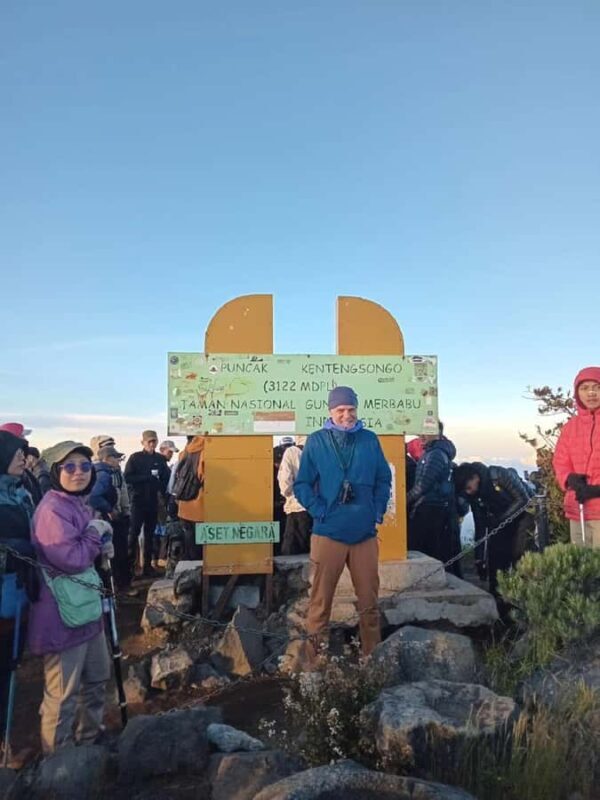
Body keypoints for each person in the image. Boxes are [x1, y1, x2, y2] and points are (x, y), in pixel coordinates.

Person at [27, 441, 113, 754]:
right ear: (55, 471)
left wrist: (99, 539)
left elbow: (85, 552)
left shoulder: (78, 503)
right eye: (70, 467)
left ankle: (88, 743)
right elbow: (73, 558)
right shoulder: (51, 509)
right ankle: (58, 761)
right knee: (62, 693)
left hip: (86, 610)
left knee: (96, 681)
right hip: (61, 617)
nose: (79, 472)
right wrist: (94, 533)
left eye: (86, 466)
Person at [294, 386, 391, 659]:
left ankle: (372, 661)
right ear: (330, 412)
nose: (346, 415)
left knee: (370, 604)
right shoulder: (316, 441)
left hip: (364, 533)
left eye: (350, 409)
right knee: (320, 603)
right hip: (328, 534)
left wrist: (377, 509)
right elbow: (301, 484)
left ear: (356, 410)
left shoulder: (370, 440)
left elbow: (383, 479)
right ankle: (314, 665)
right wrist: (319, 510)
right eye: (340, 410)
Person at [0, 431, 38, 762]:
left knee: (10, 664)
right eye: (16, 453)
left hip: (17, 589)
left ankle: (6, 742)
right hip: (4, 588)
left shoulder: (21, 494)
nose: (22, 458)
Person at [454, 461, 533, 593]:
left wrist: (501, 520)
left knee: (518, 556)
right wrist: (479, 558)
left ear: (475, 477)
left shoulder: (499, 475)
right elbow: (480, 525)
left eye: (469, 487)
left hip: (523, 517)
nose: (469, 492)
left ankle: (521, 594)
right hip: (499, 522)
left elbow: (523, 499)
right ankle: (498, 596)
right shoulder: (475, 496)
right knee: (496, 558)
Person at [553, 367, 600, 548]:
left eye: (596, 387)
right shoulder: (570, 427)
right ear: (577, 393)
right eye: (584, 388)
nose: (590, 393)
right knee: (581, 568)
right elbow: (560, 461)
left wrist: (597, 490)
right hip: (578, 507)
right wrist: (569, 478)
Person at [406, 423, 458, 566]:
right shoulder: (433, 452)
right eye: (420, 432)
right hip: (433, 507)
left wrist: (404, 501)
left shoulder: (435, 454)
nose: (421, 436)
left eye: (426, 432)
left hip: (430, 509)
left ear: (437, 433)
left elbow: (423, 485)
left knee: (425, 549)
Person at [124, 431, 170, 578]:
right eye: (149, 441)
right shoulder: (135, 458)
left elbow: (165, 480)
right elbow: (128, 477)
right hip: (138, 501)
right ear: (142, 442)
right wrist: (147, 478)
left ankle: (148, 567)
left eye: (154, 441)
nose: (151, 444)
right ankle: (130, 568)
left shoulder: (160, 459)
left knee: (150, 535)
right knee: (133, 534)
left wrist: (165, 497)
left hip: (153, 502)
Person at [89, 445, 131, 588]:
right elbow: (94, 497)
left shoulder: (103, 472)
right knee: (117, 553)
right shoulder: (103, 475)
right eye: (116, 458)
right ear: (107, 459)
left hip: (106, 519)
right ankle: (120, 586)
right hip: (108, 520)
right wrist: (109, 509)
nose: (118, 461)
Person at [277, 436, 312, 555]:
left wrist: (285, 494)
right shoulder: (319, 452)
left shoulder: (291, 452)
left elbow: (285, 480)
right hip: (315, 506)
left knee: (292, 544)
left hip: (296, 504)